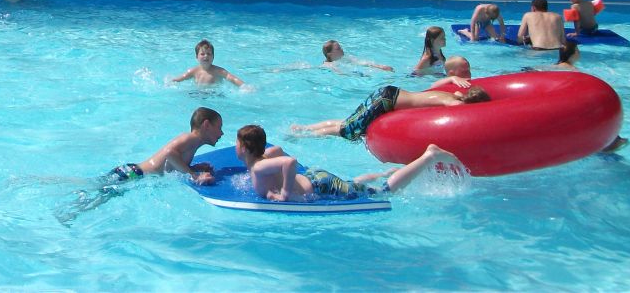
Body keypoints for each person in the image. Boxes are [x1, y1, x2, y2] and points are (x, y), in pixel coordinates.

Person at [56, 107, 225, 222]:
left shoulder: (191, 142)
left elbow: (169, 166)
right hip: (133, 175)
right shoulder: (189, 138)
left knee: (97, 191)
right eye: (219, 127)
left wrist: (193, 168)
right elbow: (169, 154)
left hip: (131, 172)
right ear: (206, 125)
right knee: (96, 193)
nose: (222, 133)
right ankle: (64, 206)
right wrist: (192, 174)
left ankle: (67, 208)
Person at [235, 124, 464, 202]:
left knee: (384, 193)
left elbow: (290, 162)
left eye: (236, 143)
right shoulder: (264, 157)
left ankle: (429, 156)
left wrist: (284, 194)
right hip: (316, 177)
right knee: (352, 184)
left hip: (321, 187)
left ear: (244, 149)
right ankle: (383, 173)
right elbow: (279, 151)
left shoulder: (258, 166)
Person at [291, 83, 492, 140]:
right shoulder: (456, 104)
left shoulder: (455, 95)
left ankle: (305, 128)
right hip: (387, 100)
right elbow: (460, 115)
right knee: (349, 132)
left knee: (349, 121)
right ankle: (306, 135)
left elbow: (455, 89)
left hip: (391, 93)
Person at [168, 39, 247, 87]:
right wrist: (170, 82)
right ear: (197, 57)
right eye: (202, 54)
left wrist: (244, 86)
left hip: (214, 94)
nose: (206, 56)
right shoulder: (193, 71)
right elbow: (180, 78)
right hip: (198, 93)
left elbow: (233, 79)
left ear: (213, 57)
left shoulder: (219, 71)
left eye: (209, 54)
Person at [321, 40, 393, 72]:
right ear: (330, 54)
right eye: (338, 49)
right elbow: (342, 74)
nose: (342, 49)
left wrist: (380, 67)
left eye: (340, 47)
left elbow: (362, 62)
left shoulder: (345, 57)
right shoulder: (328, 66)